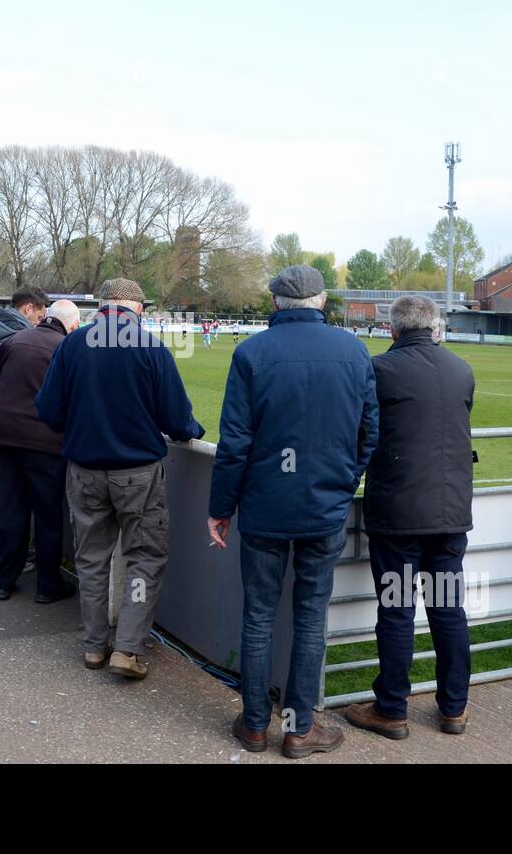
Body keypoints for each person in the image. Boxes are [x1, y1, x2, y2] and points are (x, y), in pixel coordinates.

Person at [208, 265, 379, 759]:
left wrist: (221, 508)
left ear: (277, 303)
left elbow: (234, 443)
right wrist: (344, 482)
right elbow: (370, 433)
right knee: (309, 617)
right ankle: (299, 728)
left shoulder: (253, 352)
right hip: (324, 507)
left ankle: (257, 724)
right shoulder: (352, 350)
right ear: (322, 302)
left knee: (260, 615)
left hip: (265, 507)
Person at [35, 278, 205, 679]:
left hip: (84, 471)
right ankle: (127, 649)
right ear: (138, 309)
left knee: (91, 559)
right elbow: (179, 421)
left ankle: (95, 646)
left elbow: (48, 410)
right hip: (137, 473)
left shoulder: (72, 345)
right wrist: (192, 430)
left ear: (102, 306)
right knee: (144, 558)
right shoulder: (151, 347)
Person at [343, 294, 476, 740]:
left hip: (400, 515)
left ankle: (392, 710)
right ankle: (453, 709)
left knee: (398, 612)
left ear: (393, 329)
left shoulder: (381, 369)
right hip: (450, 514)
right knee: (447, 609)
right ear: (434, 327)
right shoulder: (461, 369)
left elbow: (361, 429)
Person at [0, 300, 81, 601]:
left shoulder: (14, 340)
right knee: (47, 514)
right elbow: (74, 399)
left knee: (9, 509)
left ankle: (3, 580)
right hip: (44, 441)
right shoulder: (66, 349)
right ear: (72, 325)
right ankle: (47, 584)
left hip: (3, 436)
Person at [0, 285, 49, 572]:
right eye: (39, 316)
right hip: (10, 425)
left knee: (8, 496)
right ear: (28, 308)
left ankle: (11, 554)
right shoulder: (13, 339)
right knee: (8, 498)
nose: (39, 323)